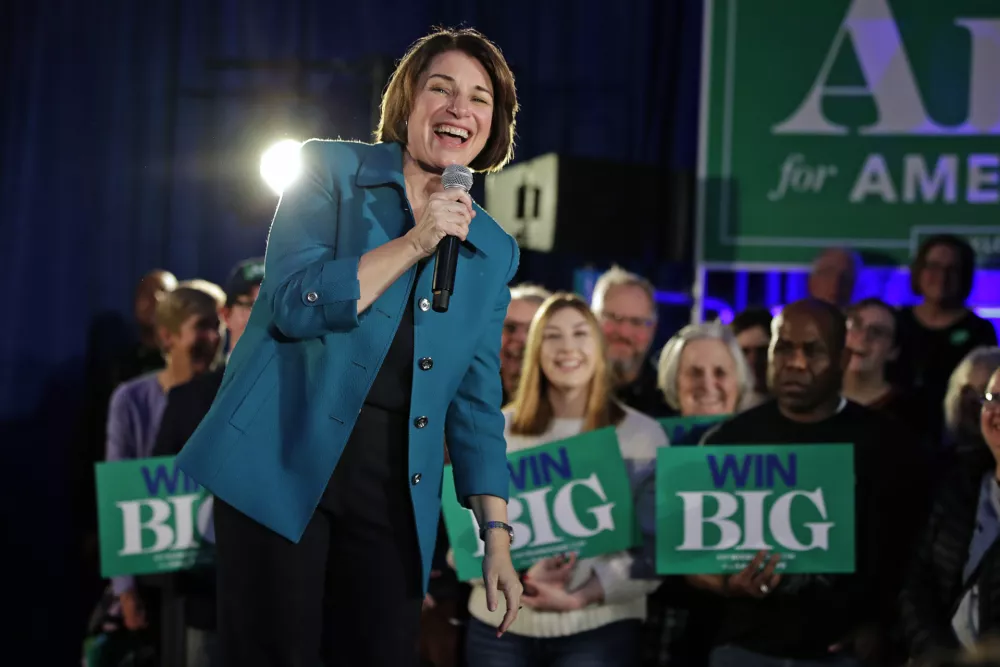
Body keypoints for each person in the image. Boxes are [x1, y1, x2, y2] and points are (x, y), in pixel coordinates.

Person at [175, 27, 524, 667]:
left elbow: (476, 405)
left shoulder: (493, 249)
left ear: (493, 125)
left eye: (480, 98)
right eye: (441, 88)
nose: (459, 108)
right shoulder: (329, 171)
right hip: (282, 456)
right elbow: (293, 304)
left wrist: (496, 539)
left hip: (394, 483)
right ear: (408, 100)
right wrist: (415, 243)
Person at [464, 293, 666, 667]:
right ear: (535, 350)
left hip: (600, 630)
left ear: (599, 347)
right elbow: (465, 540)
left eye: (580, 333)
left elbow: (654, 547)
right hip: (498, 631)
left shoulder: (643, 435)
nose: (567, 347)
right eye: (552, 336)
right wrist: (521, 577)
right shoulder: (492, 430)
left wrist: (583, 595)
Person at [901, 366, 1000, 660]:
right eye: (993, 398)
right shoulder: (955, 487)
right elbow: (917, 582)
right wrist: (937, 654)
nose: (997, 411)